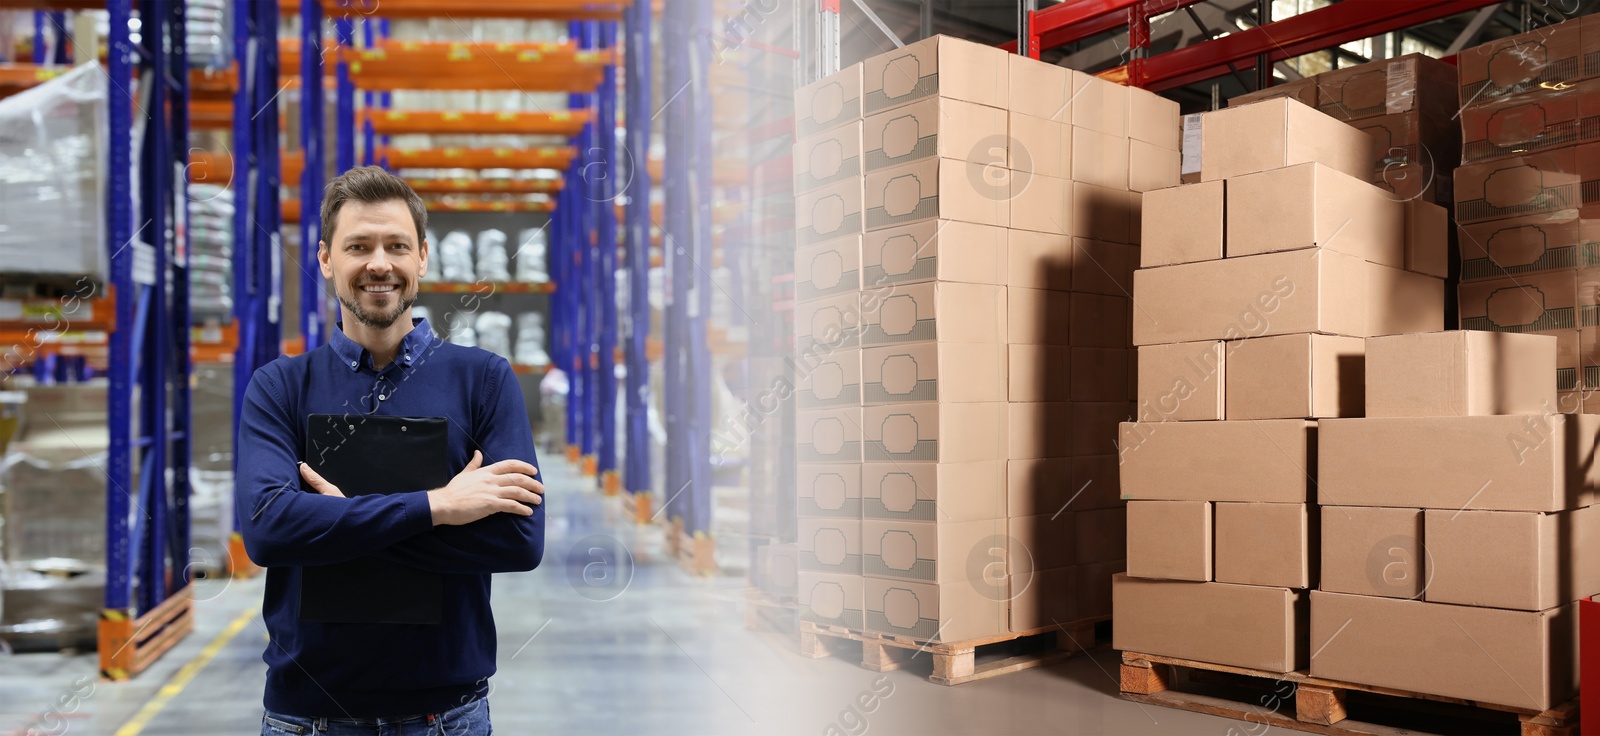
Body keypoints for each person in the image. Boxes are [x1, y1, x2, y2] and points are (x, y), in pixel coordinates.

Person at [237, 166, 545, 736]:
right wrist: (439, 506)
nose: (379, 263)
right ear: (327, 259)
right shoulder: (279, 386)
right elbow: (267, 532)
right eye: (359, 246)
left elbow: (519, 539)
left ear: (422, 258)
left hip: (447, 716)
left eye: (396, 245)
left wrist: (335, 521)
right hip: (307, 716)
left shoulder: (483, 381)